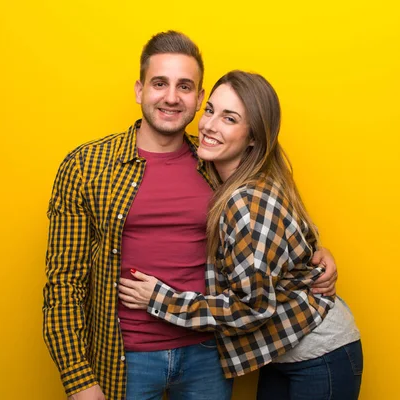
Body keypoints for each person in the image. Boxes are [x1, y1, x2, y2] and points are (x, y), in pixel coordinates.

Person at [43, 31, 338, 400]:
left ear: (199, 99)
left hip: (209, 355)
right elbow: (63, 283)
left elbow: (270, 218)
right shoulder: (87, 167)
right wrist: (78, 379)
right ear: (139, 90)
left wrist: (316, 255)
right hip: (126, 359)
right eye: (159, 83)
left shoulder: (216, 162)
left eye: (184, 86)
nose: (171, 97)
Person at [119, 70, 363, 400]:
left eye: (229, 119)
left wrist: (159, 300)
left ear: (252, 137)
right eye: (210, 111)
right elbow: (290, 239)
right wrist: (319, 252)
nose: (208, 126)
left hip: (320, 354)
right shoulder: (217, 175)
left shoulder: (245, 200)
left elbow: (253, 309)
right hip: (283, 352)